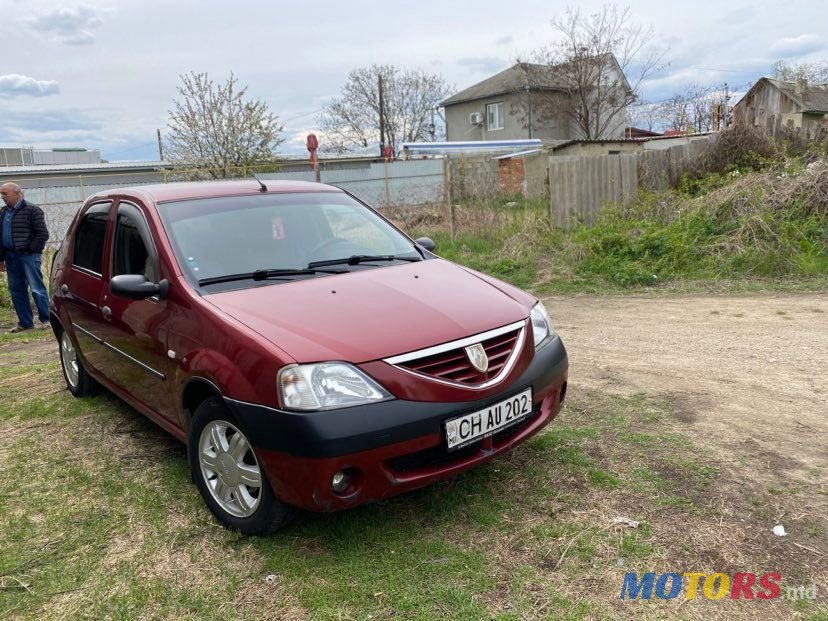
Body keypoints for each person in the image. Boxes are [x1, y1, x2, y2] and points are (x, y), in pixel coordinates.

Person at [0, 183, 50, 332]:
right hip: (10, 257)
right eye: (1, 194)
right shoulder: (2, 213)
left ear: (17, 194)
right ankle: (25, 322)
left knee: (36, 288)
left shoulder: (32, 210)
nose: (2, 197)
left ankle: (46, 319)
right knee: (16, 290)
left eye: (5, 194)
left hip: (28, 256)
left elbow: (42, 234)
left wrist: (30, 250)